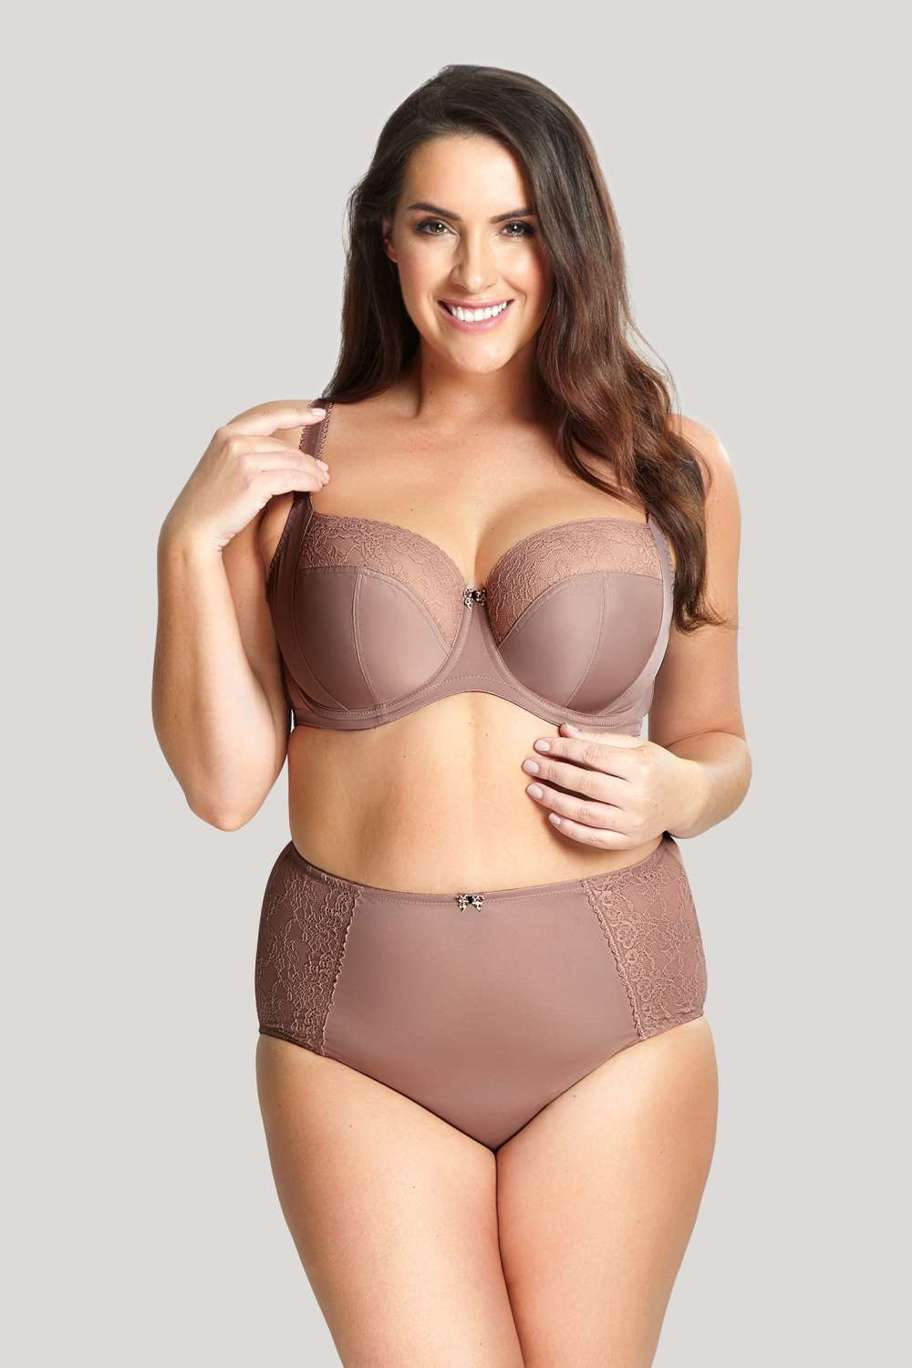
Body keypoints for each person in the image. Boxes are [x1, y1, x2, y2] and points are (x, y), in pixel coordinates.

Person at [153, 64, 750, 1368]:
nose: (476, 270)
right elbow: (223, 787)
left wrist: (680, 791)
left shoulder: (672, 464)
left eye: (517, 225)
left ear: (569, 238)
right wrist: (186, 546)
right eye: (436, 224)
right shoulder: (289, 465)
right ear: (386, 237)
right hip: (355, 1031)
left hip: (615, 1018)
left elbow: (717, 741)